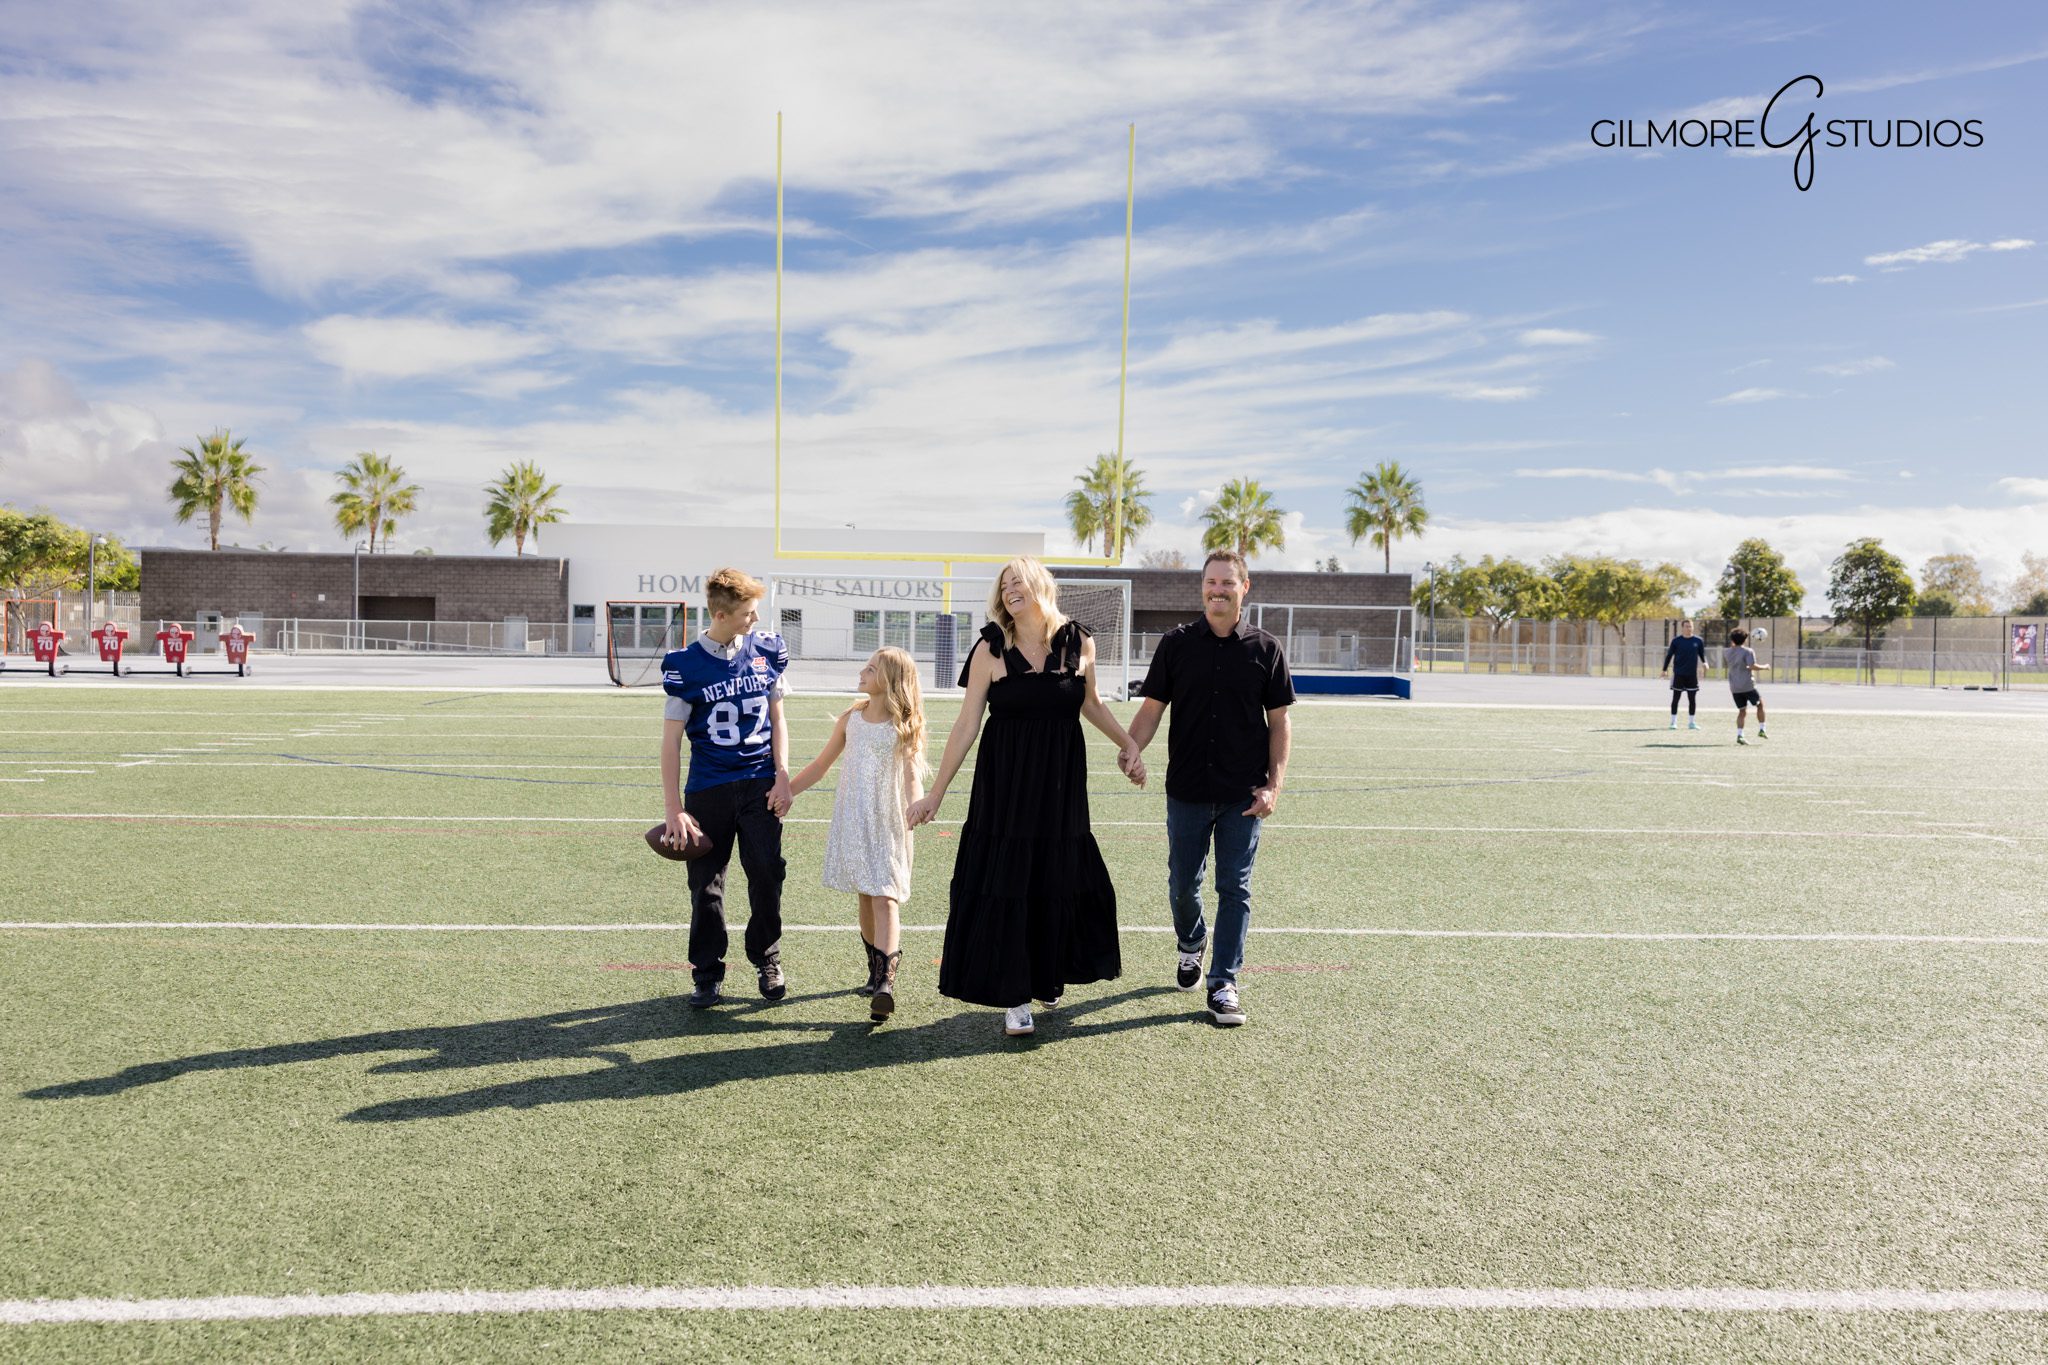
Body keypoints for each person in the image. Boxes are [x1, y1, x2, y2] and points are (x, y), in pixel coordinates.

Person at [907, 557, 1145, 1037]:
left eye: (1018, 581)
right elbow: (967, 724)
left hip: (1061, 784)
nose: (1010, 589)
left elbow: (1091, 704)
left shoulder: (1079, 642)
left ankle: (1046, 973)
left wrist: (1127, 744)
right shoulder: (990, 649)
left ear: (1041, 586)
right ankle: (1015, 996)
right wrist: (935, 792)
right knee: (1010, 878)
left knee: (1056, 874)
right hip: (1006, 785)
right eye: (1004, 585)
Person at [1123, 549, 1293, 1028]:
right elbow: (1152, 709)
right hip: (1188, 791)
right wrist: (1131, 748)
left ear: (1244, 588)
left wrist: (1273, 787)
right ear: (1202, 587)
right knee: (1182, 885)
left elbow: (1280, 724)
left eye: (1226, 583)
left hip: (1244, 795)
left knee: (1234, 888)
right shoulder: (1176, 645)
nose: (1217, 590)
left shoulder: (1266, 649)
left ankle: (1223, 983)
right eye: (1210, 583)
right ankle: (1191, 940)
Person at [660, 568, 793, 1008]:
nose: (755, 620)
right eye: (748, 613)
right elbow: (670, 741)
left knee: (767, 876)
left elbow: (777, 719)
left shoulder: (767, 651)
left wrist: (783, 774)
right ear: (720, 614)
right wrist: (673, 807)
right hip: (709, 788)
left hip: (759, 785)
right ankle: (706, 971)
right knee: (706, 884)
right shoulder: (685, 664)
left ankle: (766, 957)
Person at [789, 646, 928, 1023]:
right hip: (854, 818)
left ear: (890, 680)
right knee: (867, 896)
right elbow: (820, 765)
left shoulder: (905, 723)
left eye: (870, 669)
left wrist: (917, 803)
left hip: (888, 821)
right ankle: (874, 968)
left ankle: (886, 982)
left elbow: (913, 776)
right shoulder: (852, 718)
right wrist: (787, 791)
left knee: (885, 896)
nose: (861, 673)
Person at [1660, 619, 1708, 730]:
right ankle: (1673, 722)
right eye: (1686, 626)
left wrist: (1705, 663)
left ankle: (1691, 723)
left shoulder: (1698, 641)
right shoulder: (1676, 641)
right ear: (1682, 627)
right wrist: (1664, 669)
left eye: (1690, 626)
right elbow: (1669, 655)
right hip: (1679, 674)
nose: (1688, 628)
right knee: (1676, 698)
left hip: (1692, 675)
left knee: (1692, 699)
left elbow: (1702, 654)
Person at [1725, 627, 1769, 745]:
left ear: (1732, 639)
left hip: (1734, 687)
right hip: (1748, 686)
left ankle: (1740, 735)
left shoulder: (1727, 652)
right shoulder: (1748, 651)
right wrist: (1765, 667)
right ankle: (1762, 729)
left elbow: (1741, 662)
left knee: (1742, 711)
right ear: (1744, 640)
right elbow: (1752, 666)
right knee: (1760, 705)